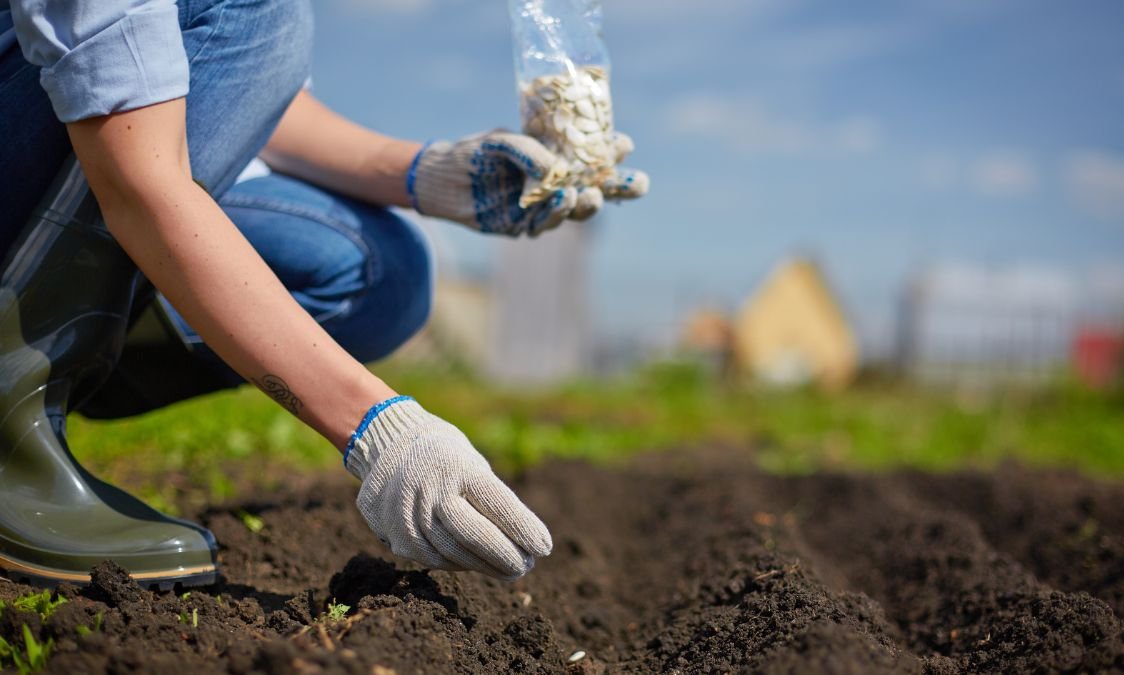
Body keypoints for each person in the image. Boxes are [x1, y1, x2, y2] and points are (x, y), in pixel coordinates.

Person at [0, 0, 648, 588]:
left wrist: (433, 177)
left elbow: (237, 84)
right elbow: (136, 182)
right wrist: (378, 426)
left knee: (382, 272)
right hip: (109, 157)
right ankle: (11, 411)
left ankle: (66, 360)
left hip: (108, 150)